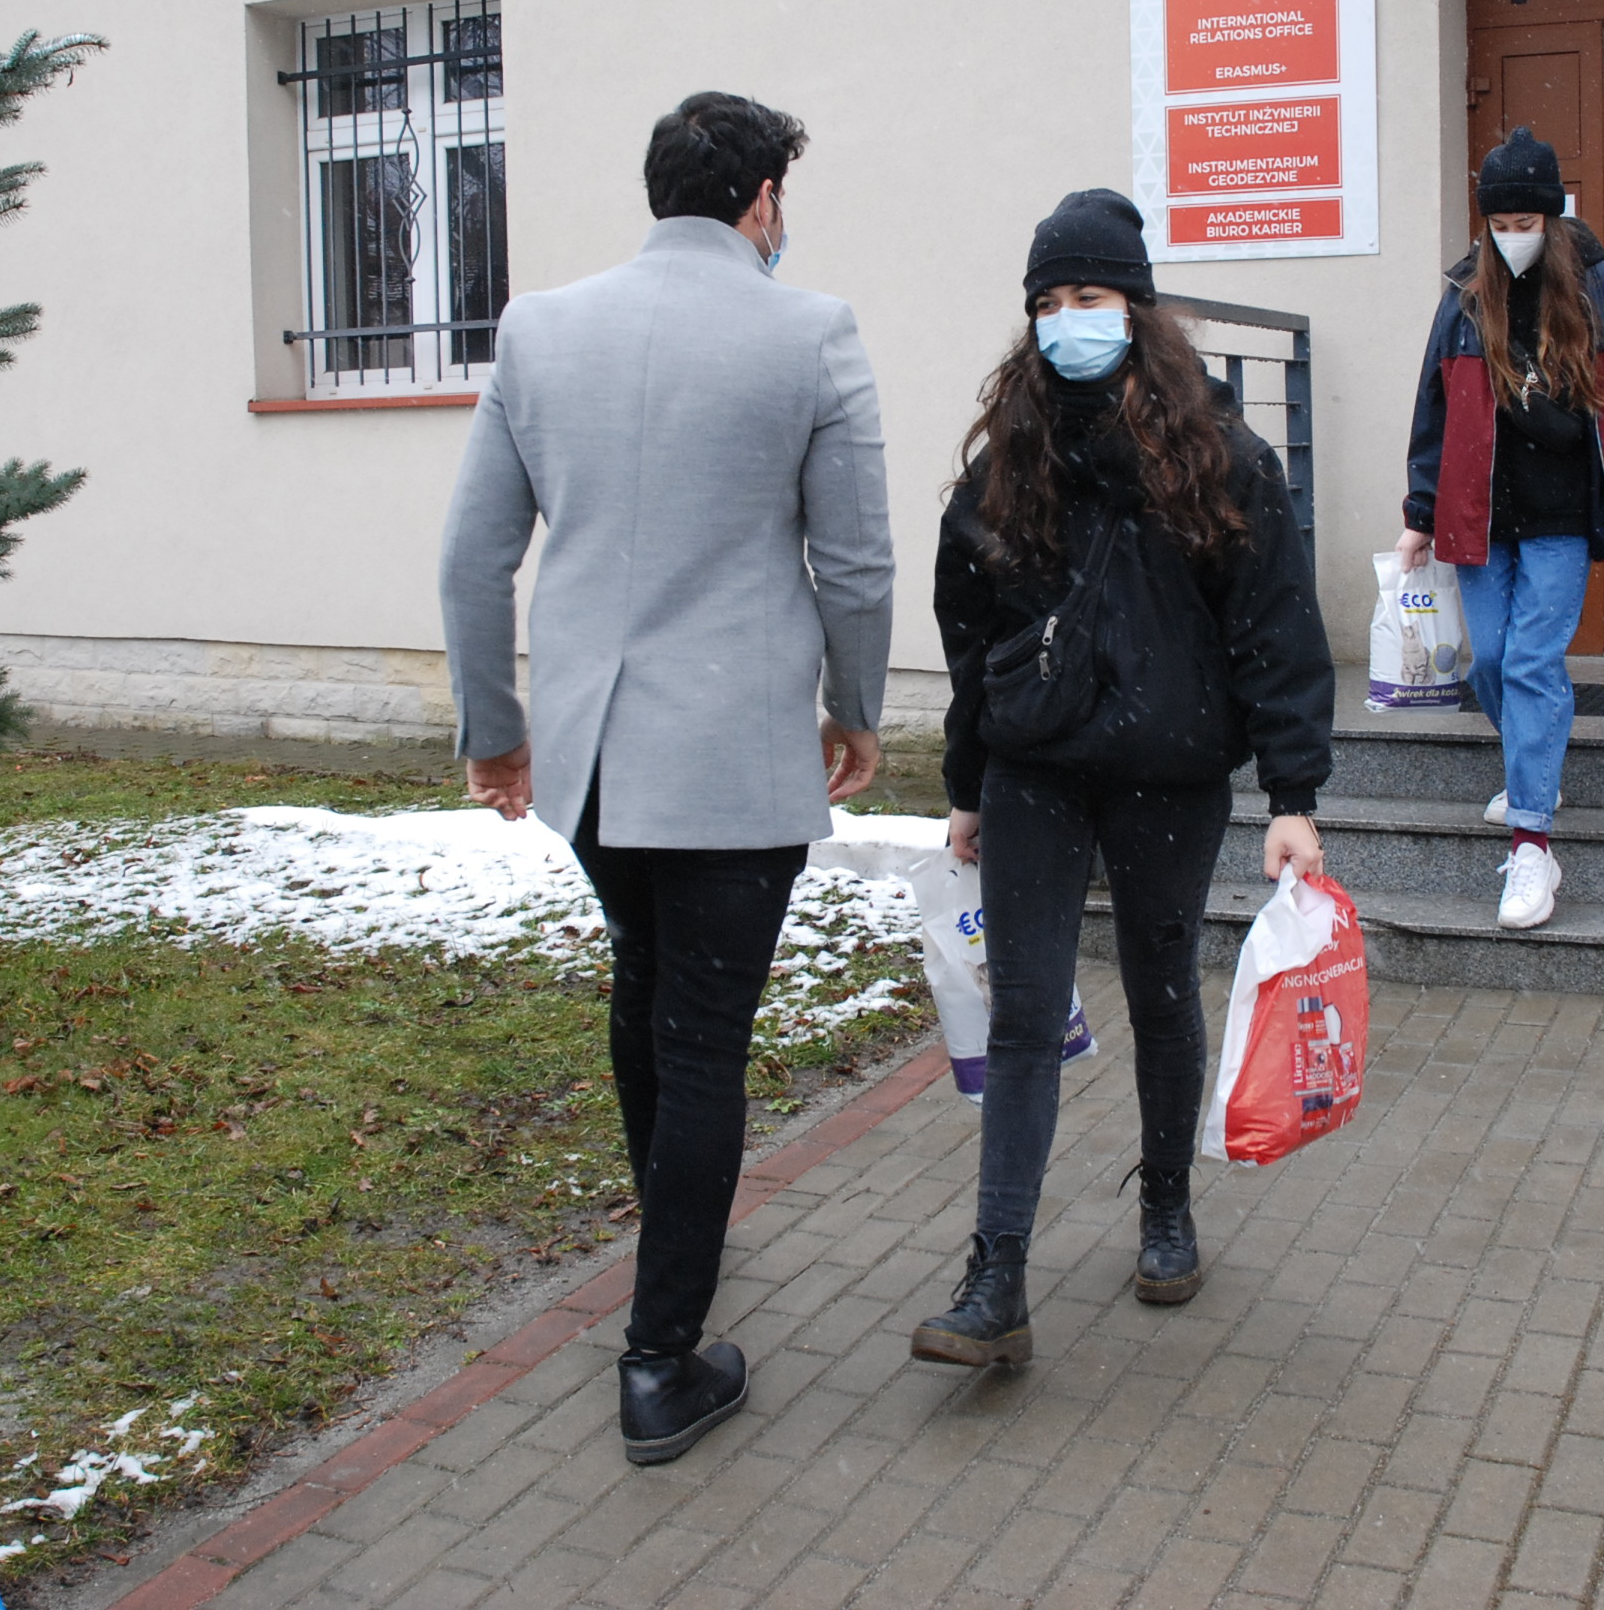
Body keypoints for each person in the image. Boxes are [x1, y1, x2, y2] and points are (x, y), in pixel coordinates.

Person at [438, 92, 893, 1465]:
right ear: (761, 199)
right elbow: (855, 562)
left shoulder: (540, 329)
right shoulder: (810, 332)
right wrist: (856, 710)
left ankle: (672, 1242)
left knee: (646, 987)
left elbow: (472, 559)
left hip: (591, 761)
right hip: (731, 754)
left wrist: (494, 729)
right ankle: (660, 1358)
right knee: (701, 1043)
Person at [914, 188, 1334, 1369]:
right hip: (1035, 773)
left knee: (1160, 990)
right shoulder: (1009, 465)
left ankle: (1165, 1210)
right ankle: (996, 1279)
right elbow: (972, 642)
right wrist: (965, 785)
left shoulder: (1222, 460)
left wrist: (1293, 797)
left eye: (1088, 295)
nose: (1067, 319)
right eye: (1047, 301)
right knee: (1025, 1012)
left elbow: (1277, 629)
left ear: (1136, 308)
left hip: (1168, 770)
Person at [1396, 128, 1604, 933]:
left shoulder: (1600, 288)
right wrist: (1419, 514)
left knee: (1530, 661)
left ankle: (1531, 842)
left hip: (1561, 518)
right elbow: (1433, 407)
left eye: (1525, 221)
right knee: (1490, 661)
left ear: (1551, 219)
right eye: (1499, 222)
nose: (1512, 235)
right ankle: (1533, 771)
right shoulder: (1465, 293)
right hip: (1479, 517)